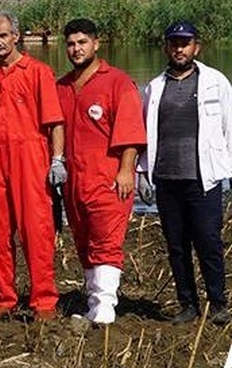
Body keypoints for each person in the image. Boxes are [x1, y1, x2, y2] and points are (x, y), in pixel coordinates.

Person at [0, 11, 65, 322]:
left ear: (16, 36)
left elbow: (55, 122)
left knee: (35, 230)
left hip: (30, 159)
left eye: (2, 36)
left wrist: (57, 160)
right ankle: (5, 298)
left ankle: (43, 300)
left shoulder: (38, 72)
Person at [138, 21, 232, 325]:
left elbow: (230, 129)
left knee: (208, 242)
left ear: (196, 47)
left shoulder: (216, 82)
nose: (180, 48)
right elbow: (144, 135)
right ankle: (187, 305)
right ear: (166, 47)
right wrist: (142, 173)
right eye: (174, 43)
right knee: (176, 245)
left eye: (185, 43)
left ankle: (217, 304)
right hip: (166, 179)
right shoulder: (154, 87)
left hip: (203, 179)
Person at [54, 18, 146, 325]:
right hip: (74, 181)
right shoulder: (63, 86)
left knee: (106, 241)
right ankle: (94, 303)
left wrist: (126, 170)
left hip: (107, 179)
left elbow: (132, 131)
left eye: (82, 42)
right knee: (83, 240)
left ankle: (105, 306)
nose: (76, 49)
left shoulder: (117, 83)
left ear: (96, 43)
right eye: (70, 43)